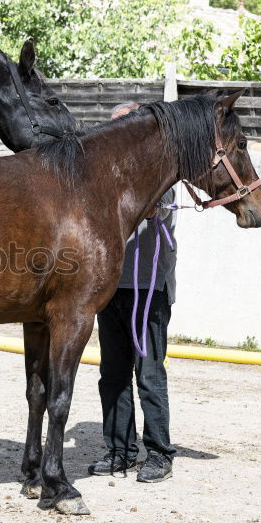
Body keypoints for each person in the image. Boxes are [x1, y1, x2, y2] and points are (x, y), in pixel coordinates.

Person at [88, 101, 177, 483]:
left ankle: (158, 453)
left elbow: (160, 212)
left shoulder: (158, 175)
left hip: (148, 289)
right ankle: (119, 450)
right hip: (111, 288)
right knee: (112, 374)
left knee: (150, 375)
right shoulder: (103, 179)